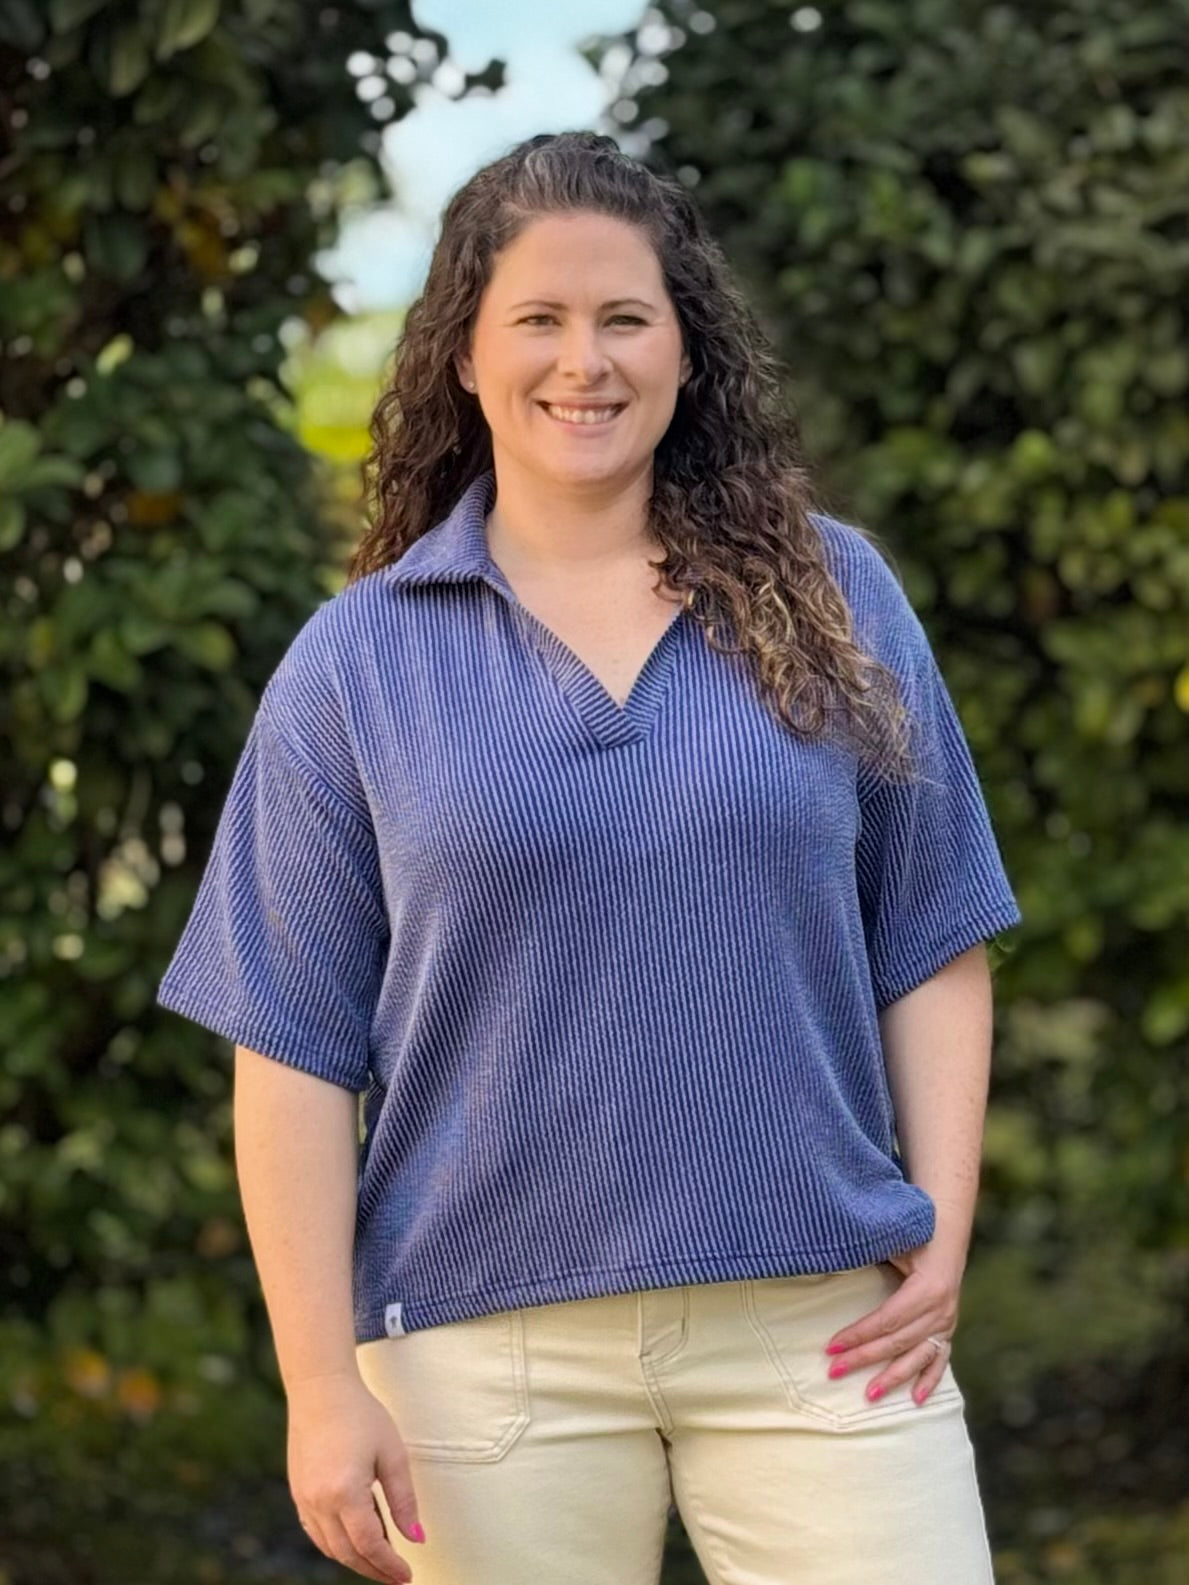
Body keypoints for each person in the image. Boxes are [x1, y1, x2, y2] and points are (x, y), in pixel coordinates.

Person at [156, 130, 1022, 1585]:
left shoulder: (833, 596)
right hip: (484, 1360)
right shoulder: (355, 664)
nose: (586, 361)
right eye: (538, 321)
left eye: (625, 317)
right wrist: (319, 1382)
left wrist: (940, 1229)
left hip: (822, 1327)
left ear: (688, 352)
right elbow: (291, 1046)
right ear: (464, 357)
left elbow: (931, 932)